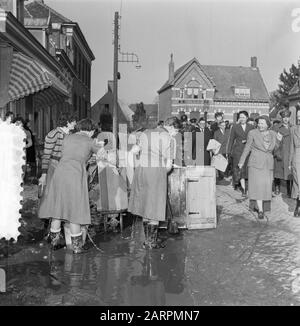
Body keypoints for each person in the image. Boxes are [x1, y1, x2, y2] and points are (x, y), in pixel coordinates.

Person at [38, 119, 104, 253]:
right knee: (74, 211)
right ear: (90, 130)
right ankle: (77, 247)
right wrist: (96, 154)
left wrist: (85, 158)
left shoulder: (67, 137)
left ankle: (54, 244)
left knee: (57, 210)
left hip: (60, 173)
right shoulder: (91, 141)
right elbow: (103, 155)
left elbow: (70, 154)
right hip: (75, 175)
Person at [128, 116, 181, 249]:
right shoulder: (169, 138)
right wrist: (166, 171)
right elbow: (168, 165)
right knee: (155, 205)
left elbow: (135, 151)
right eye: (176, 130)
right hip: (156, 172)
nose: (175, 134)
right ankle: (152, 242)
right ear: (171, 127)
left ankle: (147, 240)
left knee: (145, 204)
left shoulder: (145, 133)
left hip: (141, 171)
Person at [238, 116, 280, 219]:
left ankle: (259, 206)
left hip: (268, 164)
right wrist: (241, 161)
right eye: (259, 123)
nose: (260, 125)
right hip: (255, 164)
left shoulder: (273, 134)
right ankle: (260, 210)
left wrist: (280, 141)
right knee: (257, 186)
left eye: (262, 123)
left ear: (268, 124)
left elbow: (277, 148)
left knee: (266, 187)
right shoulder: (252, 133)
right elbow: (247, 147)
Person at [227, 110, 254, 196]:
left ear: (247, 118)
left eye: (243, 117)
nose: (241, 119)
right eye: (240, 117)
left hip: (249, 151)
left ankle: (247, 186)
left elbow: (255, 139)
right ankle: (243, 189)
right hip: (238, 151)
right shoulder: (235, 127)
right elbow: (231, 139)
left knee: (248, 169)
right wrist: (228, 151)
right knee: (240, 169)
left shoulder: (251, 127)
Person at [272, 109, 293, 196]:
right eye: (284, 117)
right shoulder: (277, 128)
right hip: (280, 151)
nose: (286, 119)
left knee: (289, 172)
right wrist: (276, 152)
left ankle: (289, 190)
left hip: (289, 152)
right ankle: (277, 187)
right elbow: (275, 141)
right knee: (278, 171)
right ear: (282, 118)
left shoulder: (293, 127)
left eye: (287, 117)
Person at [289, 108, 300, 217]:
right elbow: (291, 147)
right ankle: (298, 205)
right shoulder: (293, 129)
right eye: (297, 116)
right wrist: (289, 162)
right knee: (297, 181)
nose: (299, 118)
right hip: (297, 157)